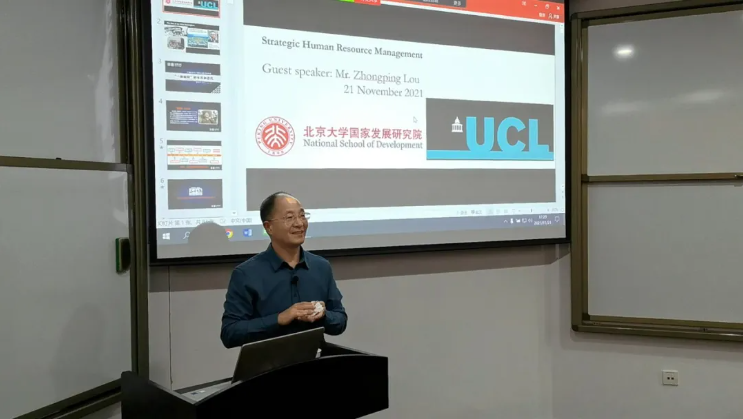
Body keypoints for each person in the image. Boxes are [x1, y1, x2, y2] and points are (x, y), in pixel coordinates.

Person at [220, 192, 348, 348]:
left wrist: (323, 315)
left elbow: (340, 320)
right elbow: (230, 333)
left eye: (302, 216)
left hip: (313, 360)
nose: (299, 223)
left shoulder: (321, 267)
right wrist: (279, 319)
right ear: (269, 227)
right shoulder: (246, 274)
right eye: (289, 217)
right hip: (268, 362)